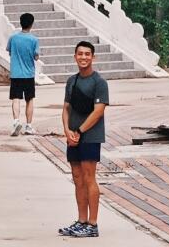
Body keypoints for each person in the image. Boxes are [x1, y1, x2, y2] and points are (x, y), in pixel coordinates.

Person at [59, 40, 109, 239]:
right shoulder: (72, 81)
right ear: (75, 57)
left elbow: (98, 112)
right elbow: (65, 108)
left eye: (87, 54)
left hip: (90, 136)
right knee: (77, 178)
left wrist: (79, 131)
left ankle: (93, 223)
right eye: (80, 54)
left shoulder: (99, 82)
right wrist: (67, 131)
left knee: (89, 178)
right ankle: (81, 221)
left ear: (93, 57)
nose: (83, 57)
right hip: (73, 137)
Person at [7, 12, 40, 136]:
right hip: (28, 74)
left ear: (20, 23)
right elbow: (36, 57)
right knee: (29, 99)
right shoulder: (34, 40)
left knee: (16, 98)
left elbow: (10, 52)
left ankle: (16, 122)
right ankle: (29, 126)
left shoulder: (13, 38)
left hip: (16, 74)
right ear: (31, 24)